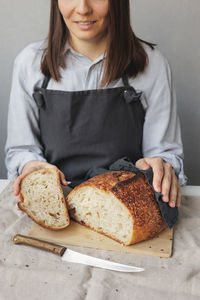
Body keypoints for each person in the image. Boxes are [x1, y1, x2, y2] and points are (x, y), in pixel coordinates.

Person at [5, 0, 186, 209]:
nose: (83, 8)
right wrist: (29, 165)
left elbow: (165, 155)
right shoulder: (29, 64)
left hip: (126, 205)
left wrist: (160, 166)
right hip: (56, 204)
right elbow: (20, 150)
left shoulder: (153, 64)